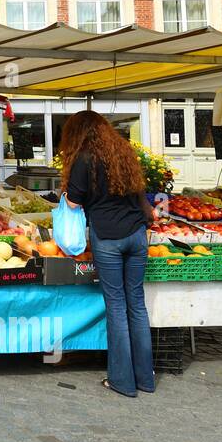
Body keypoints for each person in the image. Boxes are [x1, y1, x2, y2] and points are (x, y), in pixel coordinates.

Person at [59, 109, 156, 399]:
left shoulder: (83, 158)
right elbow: (140, 194)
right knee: (136, 305)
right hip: (137, 236)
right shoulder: (123, 151)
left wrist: (65, 198)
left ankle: (122, 381)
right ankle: (146, 379)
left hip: (108, 238)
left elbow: (75, 203)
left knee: (116, 306)